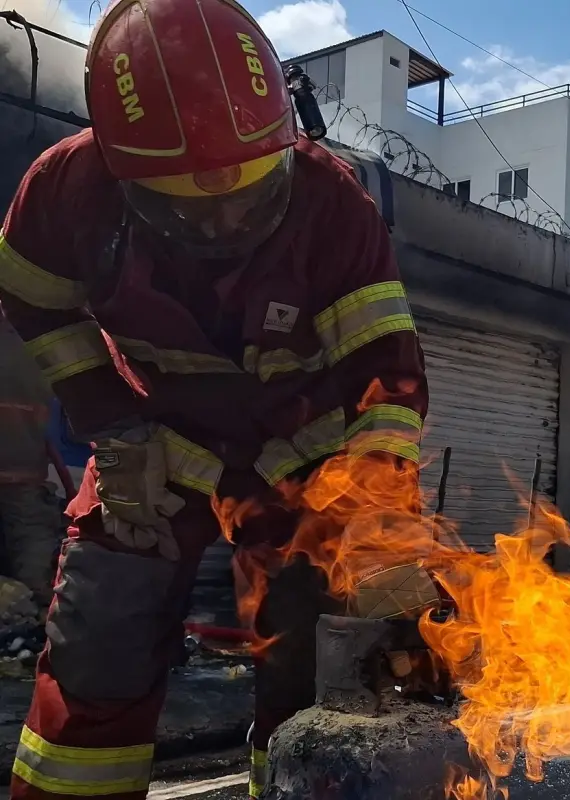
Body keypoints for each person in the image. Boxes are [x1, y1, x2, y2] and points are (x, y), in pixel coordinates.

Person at [0, 1, 431, 797]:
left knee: (311, 666)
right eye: (191, 205)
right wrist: (114, 430)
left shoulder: (332, 205)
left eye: (255, 188)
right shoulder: (64, 194)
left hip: (310, 469)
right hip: (159, 453)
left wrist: (377, 515)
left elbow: (388, 373)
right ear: (120, 170)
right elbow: (35, 306)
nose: (230, 216)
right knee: (102, 635)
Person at [0, 317, 65, 610]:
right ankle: (44, 615)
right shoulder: (29, 337)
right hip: (25, 470)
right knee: (33, 553)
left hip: (23, 471)